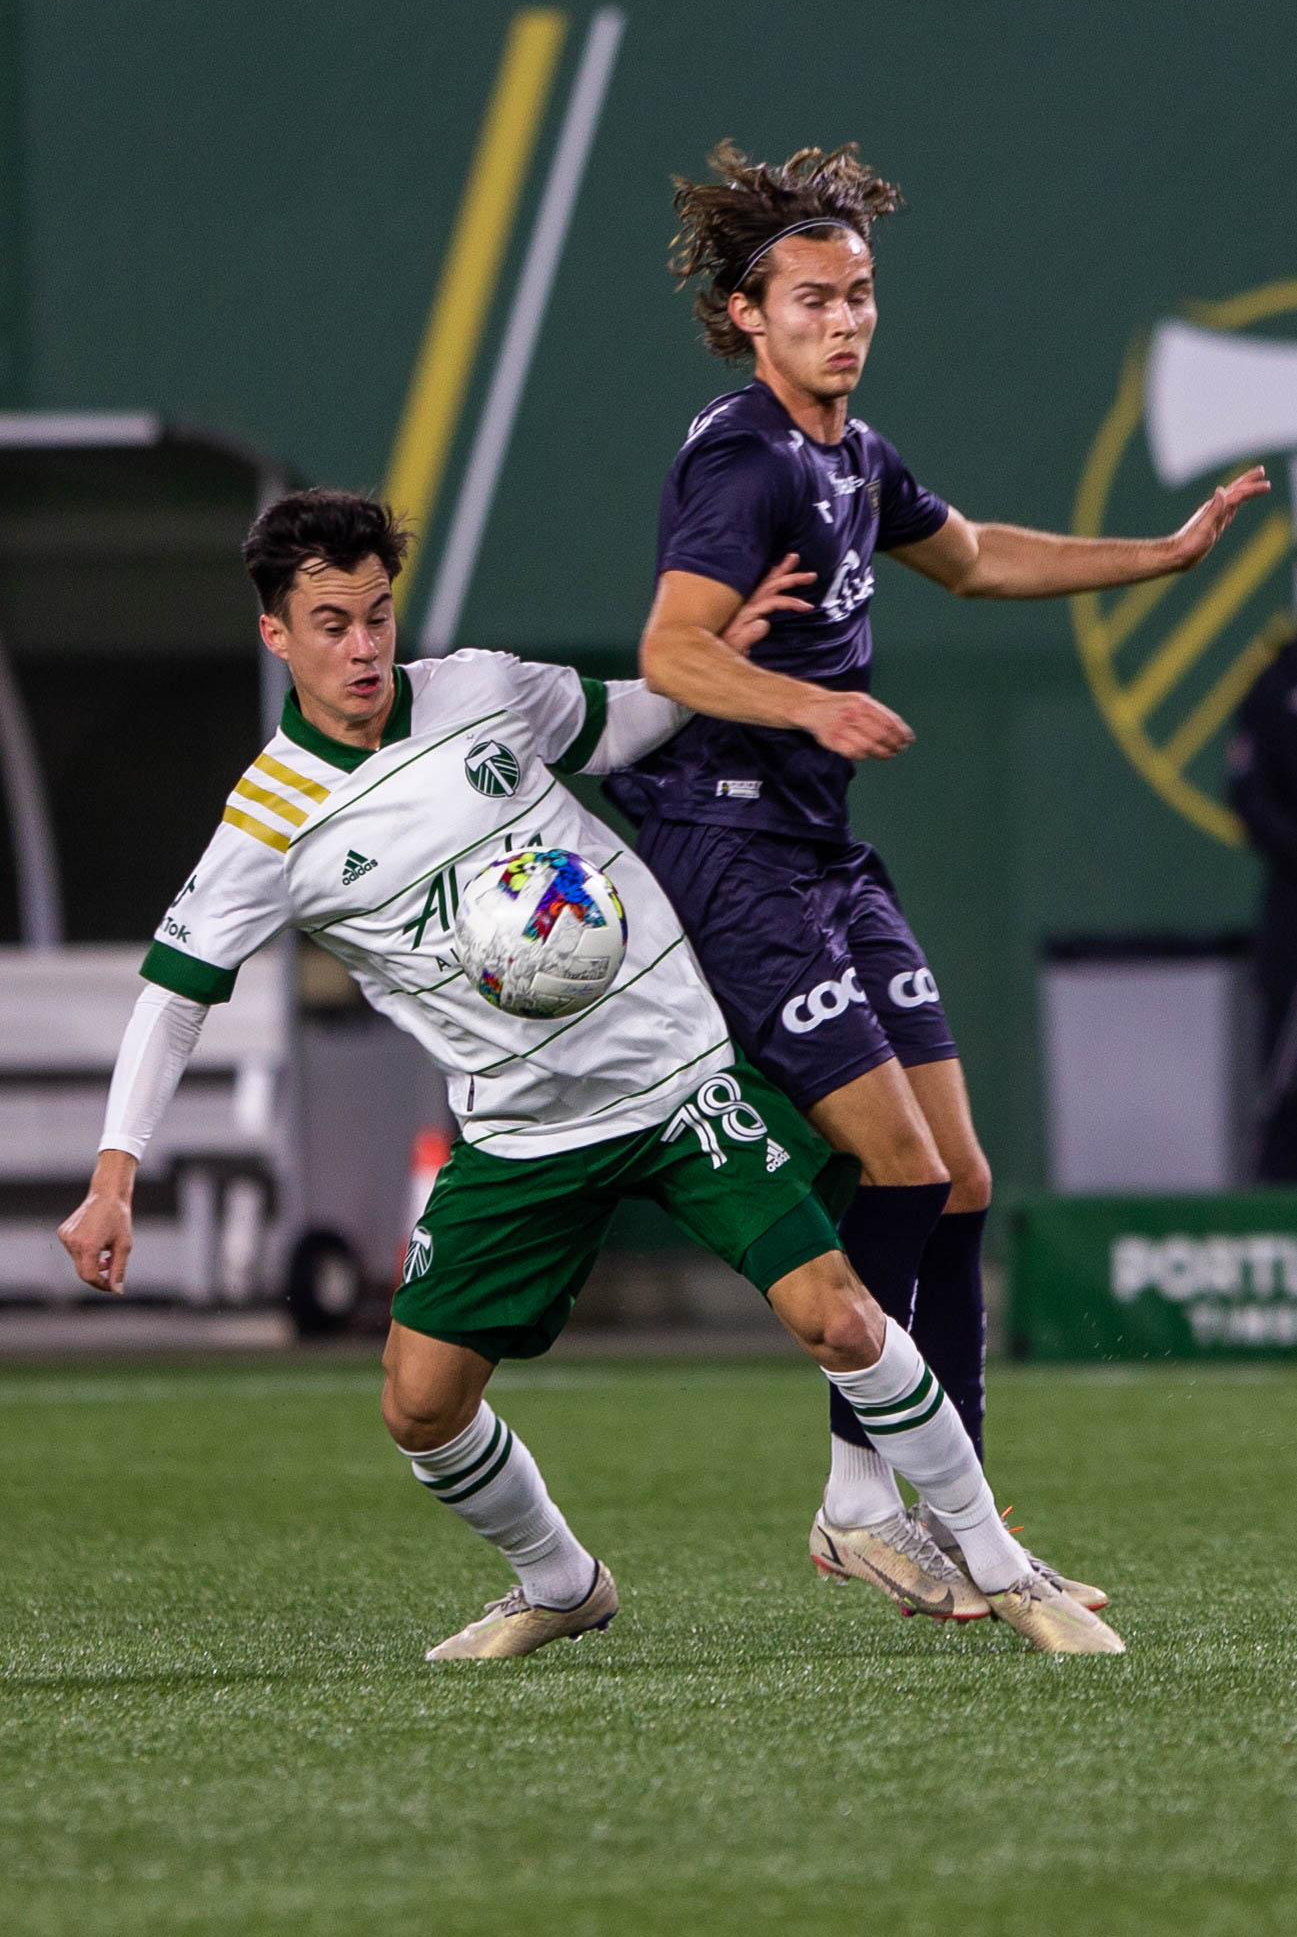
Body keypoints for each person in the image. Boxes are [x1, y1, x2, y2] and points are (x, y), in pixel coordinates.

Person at [57, 488, 1123, 1659]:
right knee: (418, 1407)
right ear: (276, 634)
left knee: (840, 1317)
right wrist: (116, 1177)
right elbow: (173, 999)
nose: (362, 647)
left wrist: (714, 653)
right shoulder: (266, 825)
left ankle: (1009, 1571)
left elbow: (626, 723)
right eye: (330, 624)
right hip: (519, 1135)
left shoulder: (479, 689)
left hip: (671, 1077)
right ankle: (561, 1581)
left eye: (376, 615)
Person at [605, 141, 1270, 1612]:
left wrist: (1159, 557)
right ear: (744, 315)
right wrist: (807, 703)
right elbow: (669, 648)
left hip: (823, 846)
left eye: (860, 294)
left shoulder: (850, 454)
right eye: (813, 299)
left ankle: (934, 1502)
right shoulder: (744, 454)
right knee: (897, 1163)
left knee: (959, 1172)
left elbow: (973, 560)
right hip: (732, 851)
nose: (846, 319)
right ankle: (880, 1508)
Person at [1228, 637, 1297, 1178]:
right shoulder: (1277, 683)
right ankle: (1273, 1207)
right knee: (1282, 1067)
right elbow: (1249, 796)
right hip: (1292, 901)